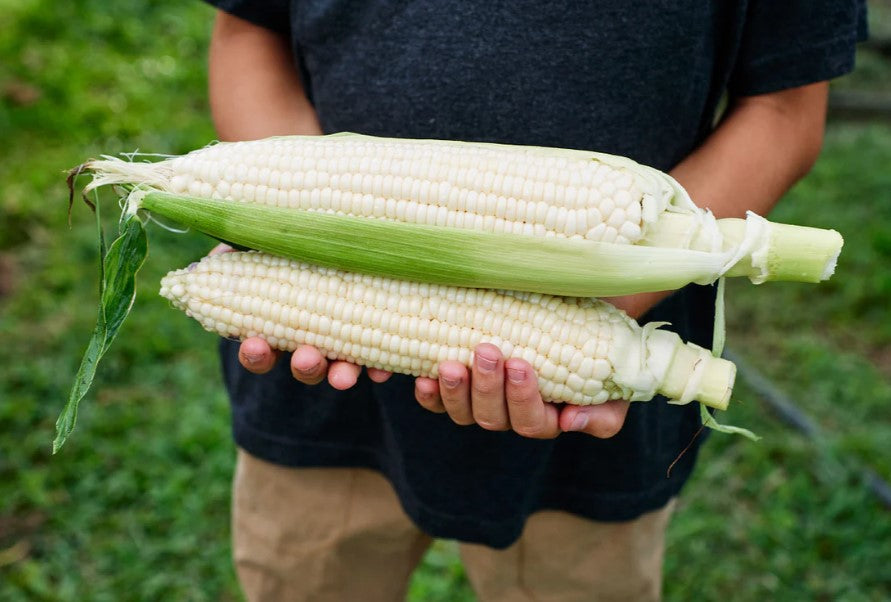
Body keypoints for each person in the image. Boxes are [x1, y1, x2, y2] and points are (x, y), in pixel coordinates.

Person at [202, 1, 866, 600]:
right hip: (318, 398)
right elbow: (247, 32)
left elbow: (782, 107)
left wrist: (599, 319)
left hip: (596, 416)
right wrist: (295, 233)